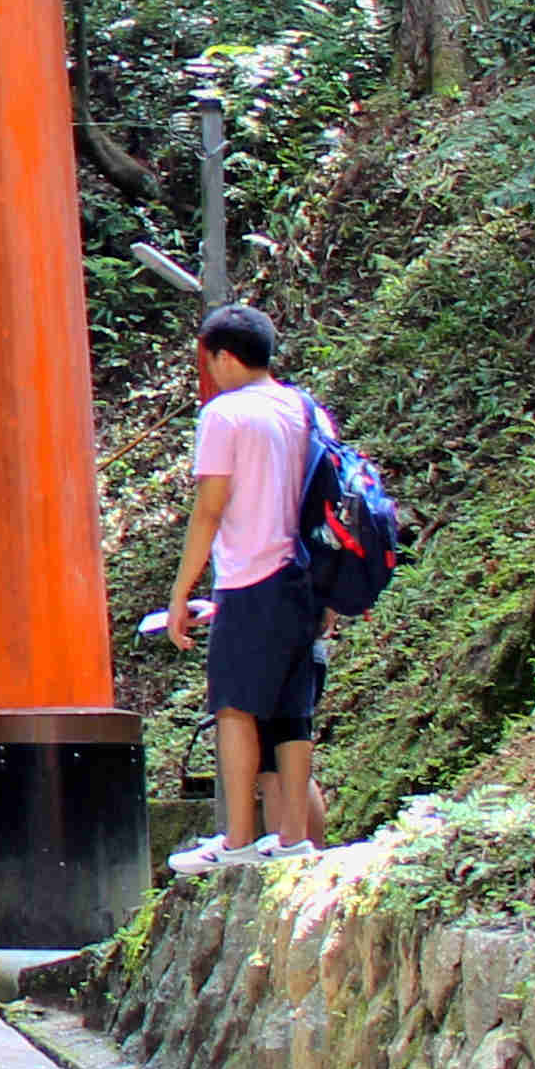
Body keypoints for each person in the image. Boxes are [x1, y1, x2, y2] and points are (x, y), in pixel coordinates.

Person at [159, 303, 332, 865]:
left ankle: (236, 841)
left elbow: (210, 508)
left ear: (225, 357)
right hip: (304, 579)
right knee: (291, 711)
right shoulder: (307, 410)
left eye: (208, 361)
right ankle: (294, 840)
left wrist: (181, 591)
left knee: (234, 708)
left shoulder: (227, 415)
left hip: (249, 578)